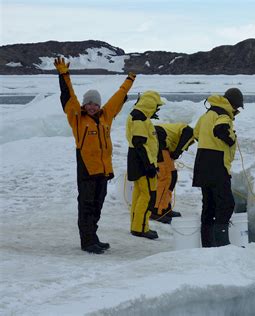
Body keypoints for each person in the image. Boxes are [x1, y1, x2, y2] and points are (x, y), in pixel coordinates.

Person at [53, 57, 135, 254]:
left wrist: (129, 81)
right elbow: (68, 96)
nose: (92, 106)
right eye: (89, 103)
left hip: (103, 171)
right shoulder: (77, 118)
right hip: (87, 170)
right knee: (87, 206)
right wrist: (64, 74)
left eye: (95, 104)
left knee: (97, 206)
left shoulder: (105, 117)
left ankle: (93, 237)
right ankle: (87, 241)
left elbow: (118, 98)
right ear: (84, 105)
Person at [192, 88, 244, 247]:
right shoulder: (223, 115)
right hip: (217, 164)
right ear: (233, 104)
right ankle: (222, 244)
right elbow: (220, 129)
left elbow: (195, 134)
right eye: (237, 107)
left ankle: (208, 245)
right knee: (226, 204)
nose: (236, 111)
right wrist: (230, 139)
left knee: (209, 205)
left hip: (202, 163)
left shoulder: (207, 115)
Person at [126, 91, 164, 239]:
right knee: (148, 196)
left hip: (137, 161)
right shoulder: (139, 119)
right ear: (150, 104)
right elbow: (139, 143)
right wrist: (149, 165)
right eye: (156, 106)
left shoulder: (139, 117)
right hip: (142, 163)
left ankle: (136, 225)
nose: (157, 110)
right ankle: (141, 228)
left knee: (139, 194)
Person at [151, 123, 195, 224]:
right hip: (159, 138)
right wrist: (176, 154)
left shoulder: (189, 132)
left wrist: (174, 154)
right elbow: (178, 150)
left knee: (172, 176)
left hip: (162, 142)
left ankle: (165, 207)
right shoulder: (189, 132)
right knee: (166, 177)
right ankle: (157, 210)